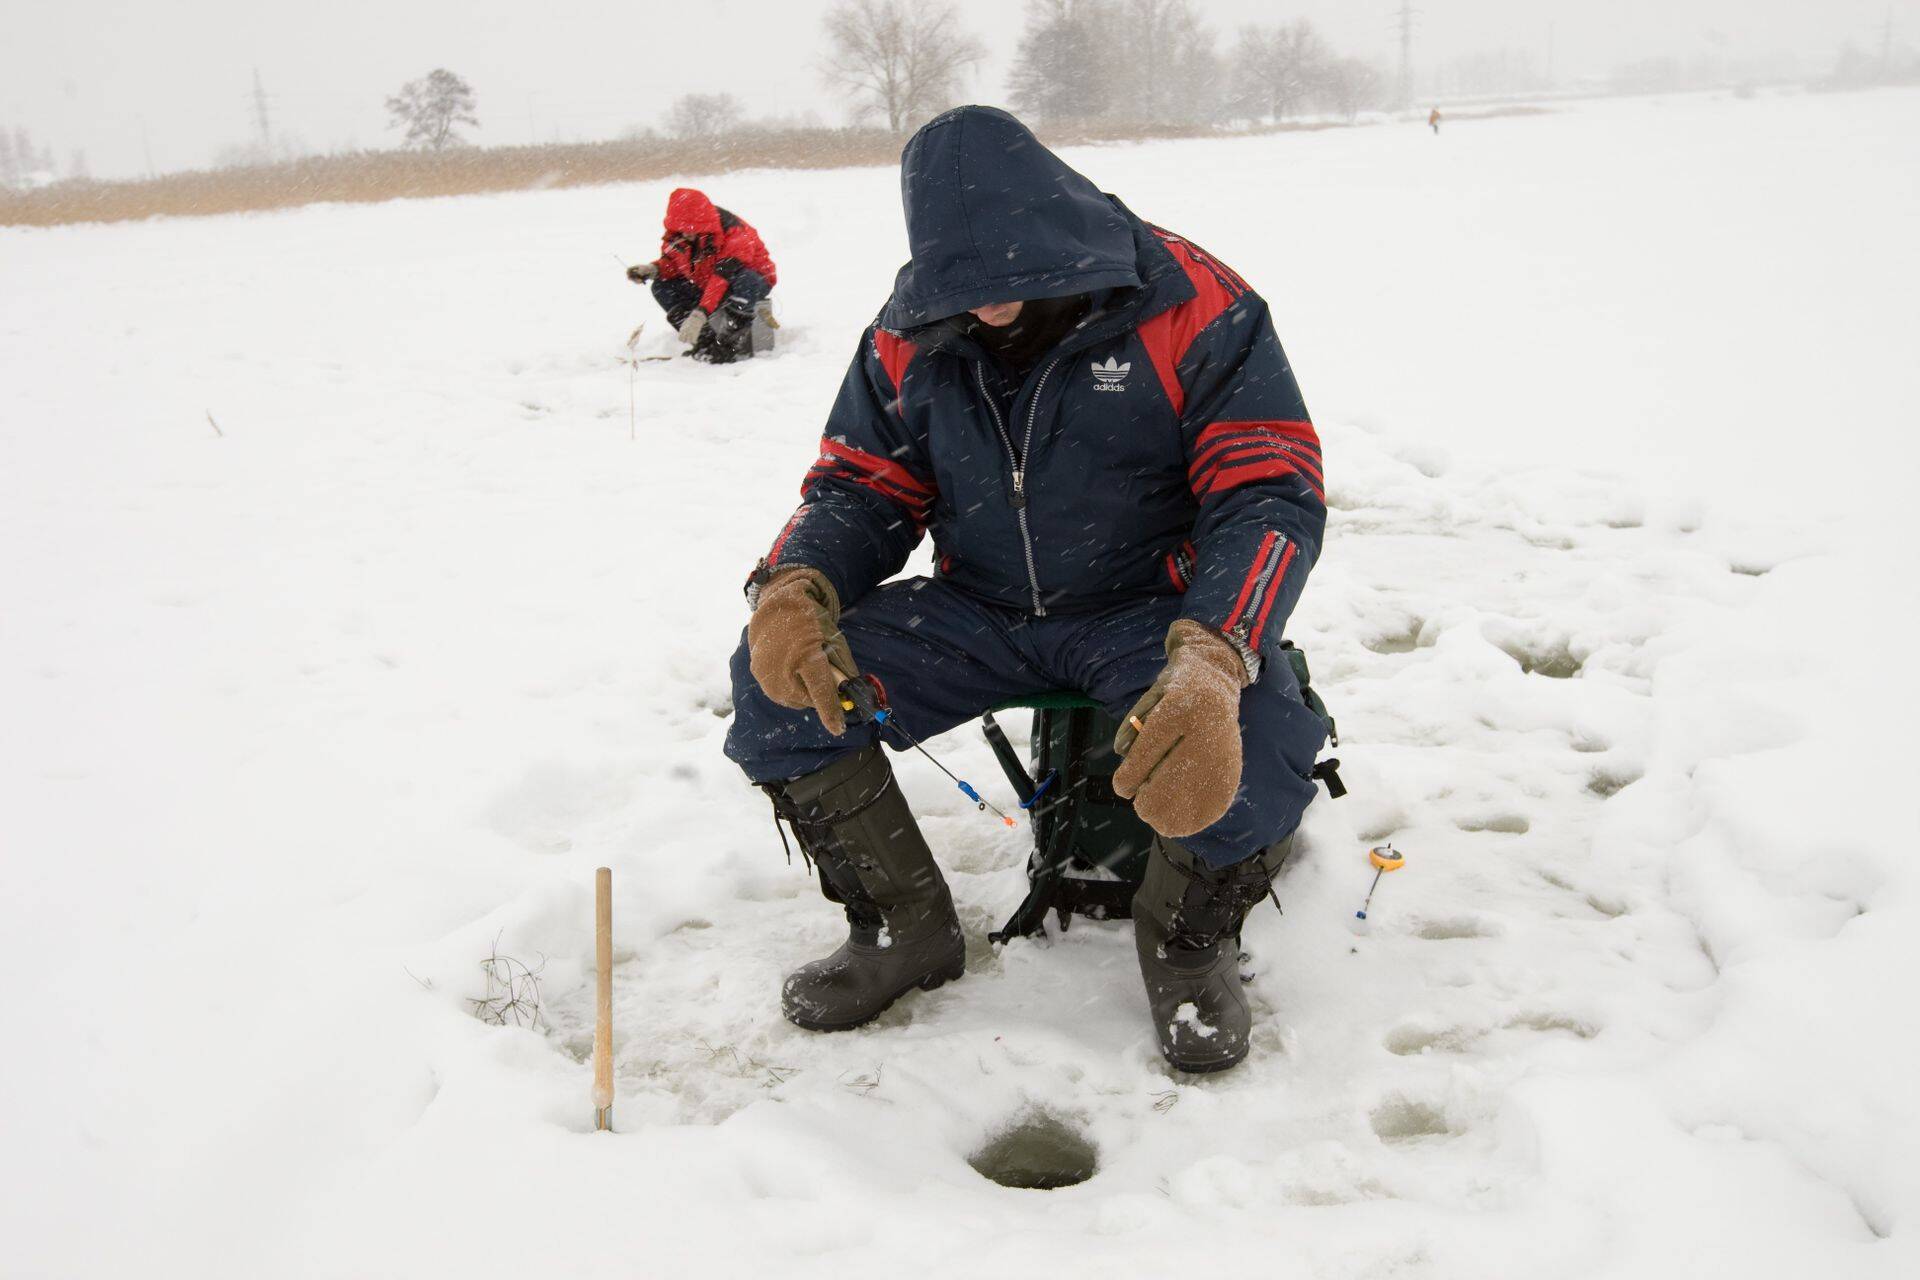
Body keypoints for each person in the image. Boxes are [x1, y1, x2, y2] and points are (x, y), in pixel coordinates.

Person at [724, 106, 1327, 1074]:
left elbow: (1268, 489)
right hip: (981, 611)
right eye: (962, 288)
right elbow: (861, 484)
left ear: (1053, 228)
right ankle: (903, 927)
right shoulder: (910, 330)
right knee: (775, 689)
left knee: (1256, 737)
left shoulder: (1190, 301)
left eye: (1005, 285)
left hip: (1151, 613)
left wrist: (1216, 649)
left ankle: (1184, 943)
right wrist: (793, 582)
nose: (986, 308)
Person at [625, 187, 777, 363]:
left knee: (746, 280)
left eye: (692, 228)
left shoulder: (735, 233)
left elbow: (722, 278)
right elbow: (674, 265)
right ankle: (704, 339)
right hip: (707, 285)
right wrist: (654, 269)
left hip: (748, 284)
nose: (686, 233)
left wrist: (700, 313)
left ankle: (729, 343)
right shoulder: (677, 236)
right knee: (662, 286)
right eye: (681, 228)